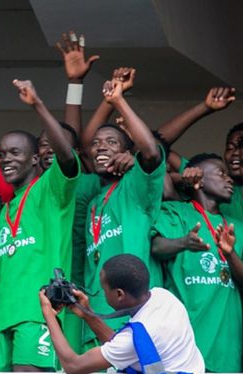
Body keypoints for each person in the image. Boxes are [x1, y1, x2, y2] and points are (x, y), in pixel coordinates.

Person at [0, 79, 79, 374]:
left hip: (37, 312)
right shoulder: (6, 205)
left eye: (15, 153)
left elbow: (66, 154)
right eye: (2, 154)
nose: (6, 159)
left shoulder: (52, 190)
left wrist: (37, 104)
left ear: (36, 159)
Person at [40, 254, 209, 374]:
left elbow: (73, 366)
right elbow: (124, 347)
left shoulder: (135, 337)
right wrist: (88, 314)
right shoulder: (164, 297)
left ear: (119, 294)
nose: (103, 294)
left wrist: (49, 315)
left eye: (104, 290)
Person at [151, 153, 243, 374]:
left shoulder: (240, 228)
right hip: (181, 343)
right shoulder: (176, 212)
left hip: (225, 345)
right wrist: (183, 242)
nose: (230, 179)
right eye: (221, 173)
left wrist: (230, 252)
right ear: (199, 180)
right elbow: (156, 246)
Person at [80, 77, 165, 353]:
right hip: (97, 311)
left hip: (134, 310)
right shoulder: (92, 201)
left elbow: (151, 153)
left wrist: (118, 101)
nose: (100, 147)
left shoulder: (134, 187)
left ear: (128, 152)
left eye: (111, 142)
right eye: (96, 144)